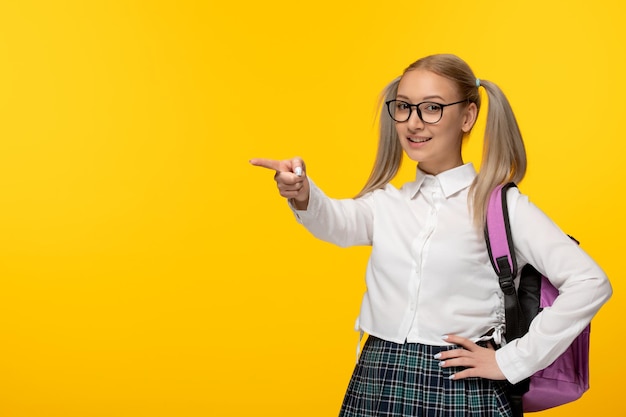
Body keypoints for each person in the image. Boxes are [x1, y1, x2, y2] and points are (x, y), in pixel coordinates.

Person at [250, 54, 612, 417]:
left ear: (467, 116)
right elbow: (336, 222)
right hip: (378, 374)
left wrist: (511, 361)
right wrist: (301, 191)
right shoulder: (389, 203)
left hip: (459, 385)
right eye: (404, 107)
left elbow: (590, 281)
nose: (413, 122)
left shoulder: (501, 206)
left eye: (432, 108)